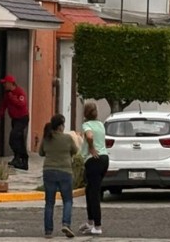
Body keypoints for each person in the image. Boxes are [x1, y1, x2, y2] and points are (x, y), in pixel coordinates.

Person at [38, 114, 79, 238]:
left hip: (49, 171)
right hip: (65, 172)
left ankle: (48, 231)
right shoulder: (67, 138)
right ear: (61, 126)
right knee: (67, 200)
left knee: (49, 202)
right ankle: (66, 223)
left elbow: (41, 152)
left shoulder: (47, 138)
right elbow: (75, 151)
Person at [78, 100, 108, 237]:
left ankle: (97, 225)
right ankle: (90, 222)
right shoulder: (101, 124)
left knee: (94, 193)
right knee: (89, 190)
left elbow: (89, 136)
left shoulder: (87, 125)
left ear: (85, 113)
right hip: (104, 159)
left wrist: (91, 147)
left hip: (93, 160)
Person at [0, 74, 29, 170]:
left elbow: (22, 104)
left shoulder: (19, 92)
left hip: (22, 118)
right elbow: (3, 106)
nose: (4, 85)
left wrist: (12, 97)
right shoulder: (7, 94)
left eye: (5, 83)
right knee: (19, 139)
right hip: (15, 119)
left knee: (13, 137)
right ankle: (22, 161)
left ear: (10, 83)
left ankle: (19, 158)